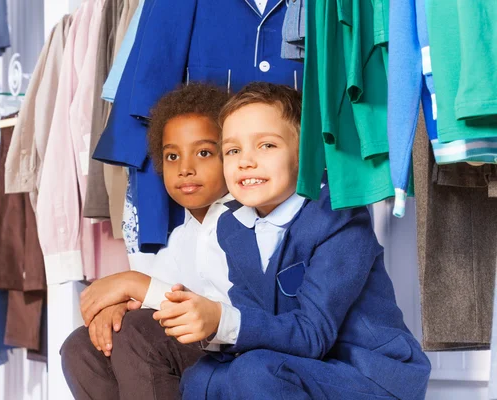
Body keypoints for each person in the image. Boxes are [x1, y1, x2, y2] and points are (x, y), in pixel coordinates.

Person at [155, 82, 432, 399]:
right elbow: (259, 318)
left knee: (256, 371)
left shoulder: (340, 219)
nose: (246, 161)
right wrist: (207, 326)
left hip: (371, 373)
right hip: (302, 363)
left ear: (306, 153)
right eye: (233, 150)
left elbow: (313, 334)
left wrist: (222, 319)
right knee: (202, 377)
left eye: (266, 146)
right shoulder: (232, 227)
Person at [60, 83, 239, 400]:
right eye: (172, 156)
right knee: (82, 346)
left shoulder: (244, 223)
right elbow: (157, 296)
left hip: (235, 356)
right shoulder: (183, 236)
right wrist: (116, 308)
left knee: (138, 334)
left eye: (203, 152)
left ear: (230, 155)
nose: (185, 169)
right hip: (201, 354)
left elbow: (232, 316)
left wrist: (133, 283)